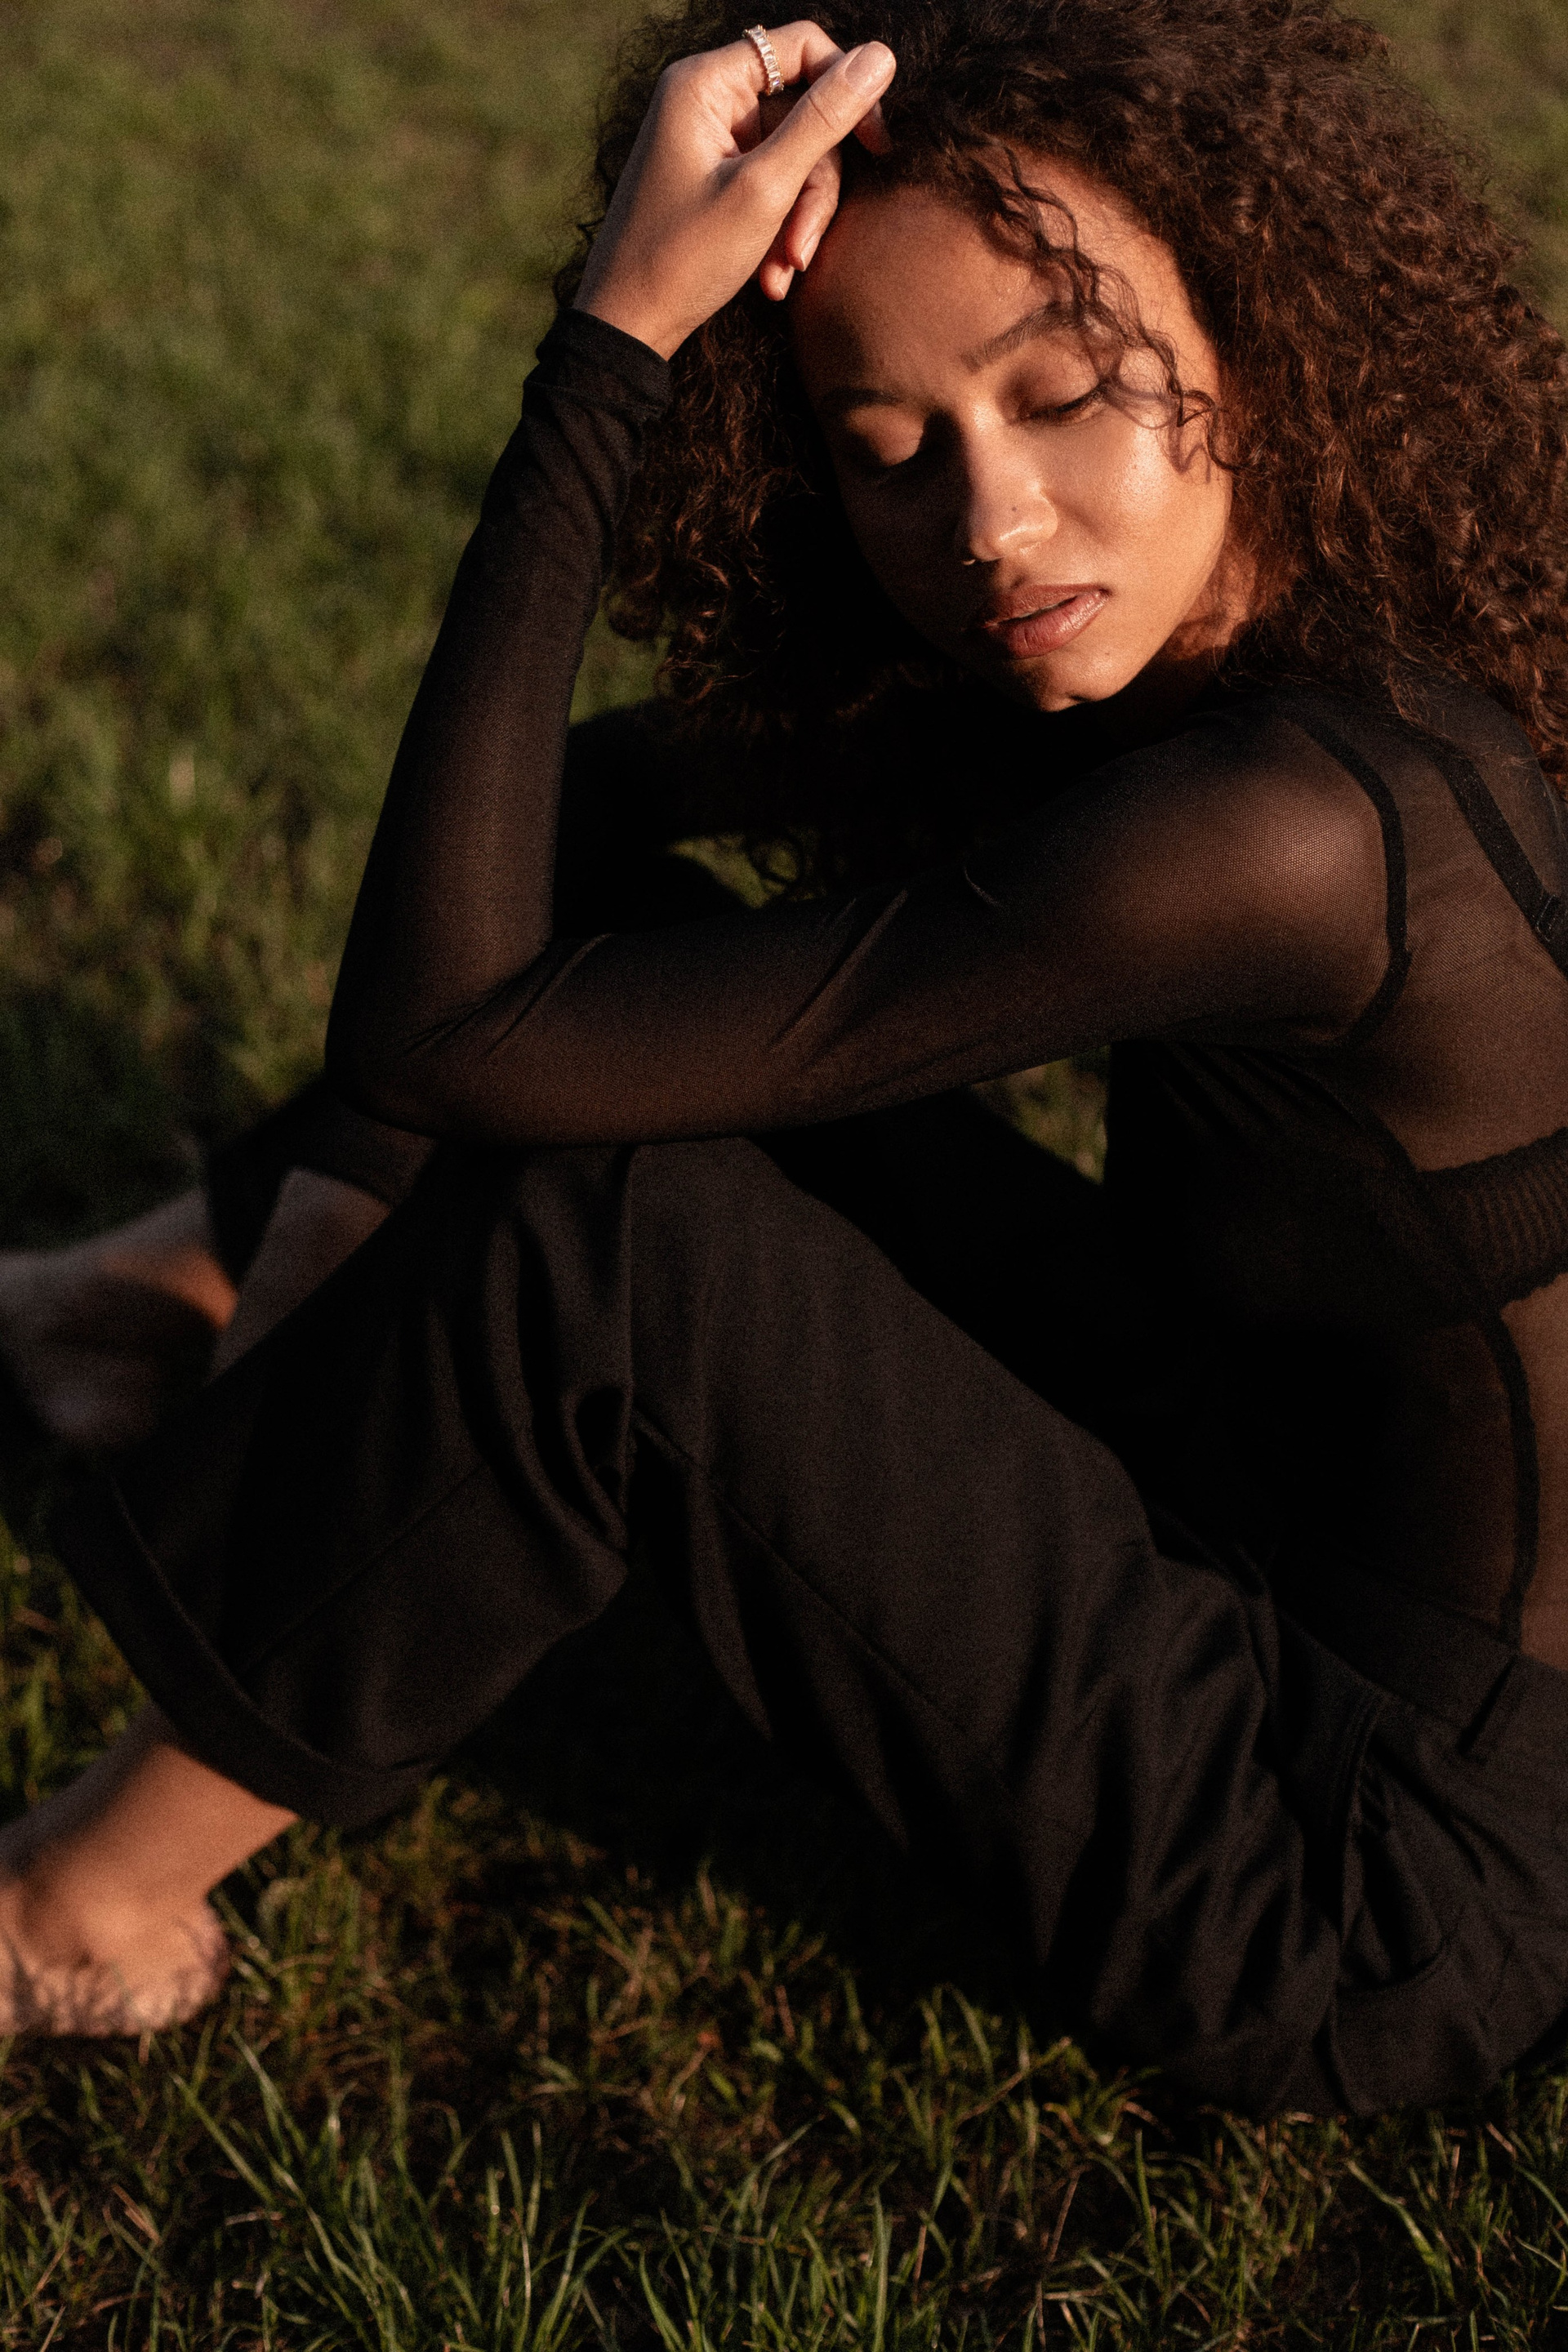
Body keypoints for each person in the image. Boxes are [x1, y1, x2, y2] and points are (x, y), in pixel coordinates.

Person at [3, 0, 1568, 2115]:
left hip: (1369, 1880)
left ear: (1252, 332)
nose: (994, 518)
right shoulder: (1201, 628)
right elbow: (572, 821)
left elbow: (440, 1030)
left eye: (1064, 393)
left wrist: (611, 348)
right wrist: (328, 1218)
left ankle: (74, 1915)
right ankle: (139, 1301)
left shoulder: (1282, 830)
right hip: (1250, 1502)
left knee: (619, 1236)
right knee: (621, 989)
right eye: (891, 448)